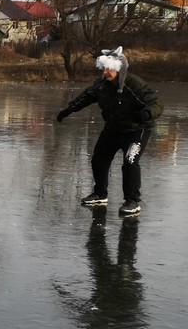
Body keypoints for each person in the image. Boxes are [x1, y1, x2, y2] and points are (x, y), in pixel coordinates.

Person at [56, 46, 162, 217]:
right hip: (113, 128)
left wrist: (147, 113)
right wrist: (68, 110)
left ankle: (132, 201)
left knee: (130, 161)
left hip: (137, 130)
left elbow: (156, 103)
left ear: (119, 68)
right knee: (99, 159)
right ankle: (100, 194)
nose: (105, 72)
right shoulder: (102, 85)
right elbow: (86, 97)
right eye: (103, 68)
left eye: (109, 69)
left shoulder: (134, 84)